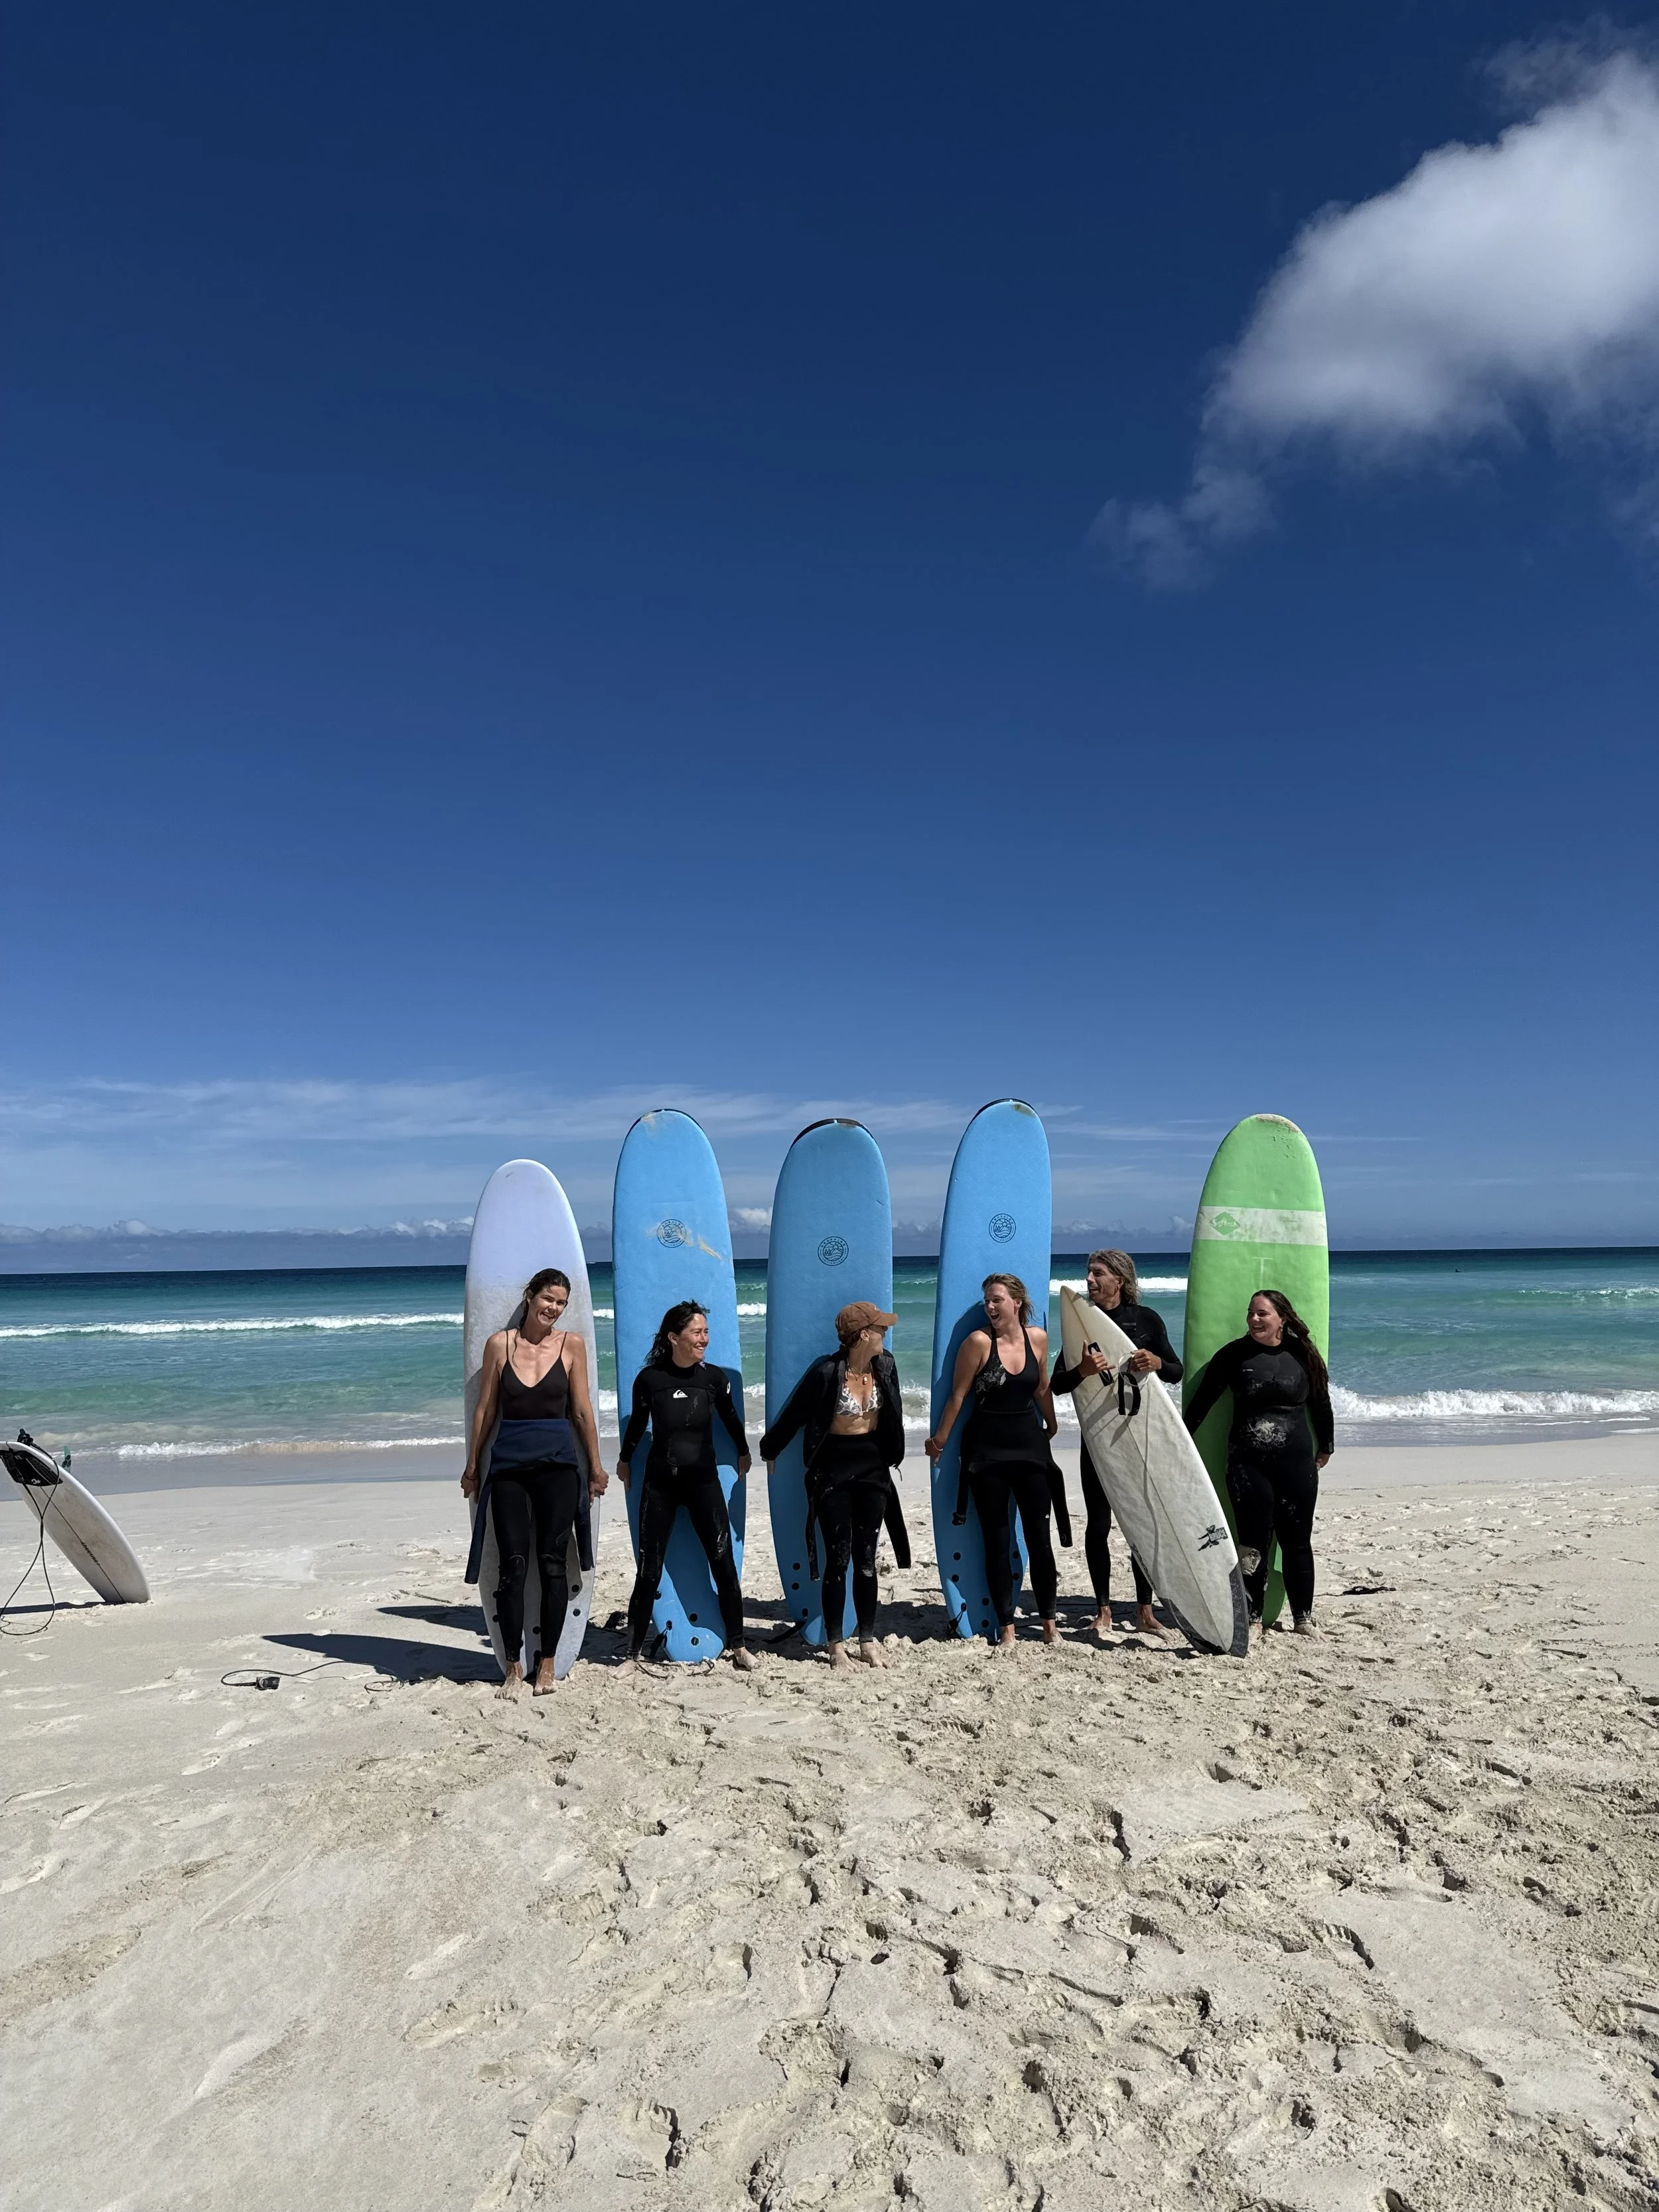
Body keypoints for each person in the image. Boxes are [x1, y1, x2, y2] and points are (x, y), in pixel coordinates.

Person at [462, 1268, 609, 1698]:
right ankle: (512, 1665)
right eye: (548, 1298)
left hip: (559, 1467)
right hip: (508, 1466)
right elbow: (485, 1410)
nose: (554, 1308)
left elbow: (581, 1412)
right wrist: (473, 1466)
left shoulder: (572, 1346)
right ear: (530, 1296)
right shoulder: (500, 1345)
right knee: (513, 1565)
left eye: (562, 1302)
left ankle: (546, 1665)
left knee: (551, 1562)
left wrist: (597, 1467)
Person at [759, 1301, 908, 1670]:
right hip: (833, 1472)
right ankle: (835, 1645)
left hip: (874, 1469)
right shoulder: (827, 1372)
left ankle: (868, 1641)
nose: (884, 1333)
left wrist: (896, 1451)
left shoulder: (885, 1365)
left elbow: (896, 1412)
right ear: (862, 1335)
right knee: (838, 1561)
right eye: (879, 1328)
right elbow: (794, 1413)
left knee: (867, 1561)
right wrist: (769, 1449)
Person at [1181, 1288, 1333, 1635]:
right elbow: (1203, 1401)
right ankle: (1252, 1615)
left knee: (1297, 1539)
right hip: (1248, 1464)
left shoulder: (1303, 1354)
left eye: (1262, 1314)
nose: (1253, 1319)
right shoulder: (1235, 1355)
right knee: (1252, 1540)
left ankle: (1303, 1618)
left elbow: (1321, 1403)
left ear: (1282, 1318)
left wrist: (1327, 1444)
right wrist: (1182, 1440)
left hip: (1296, 1462)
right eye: (1250, 1313)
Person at [616, 1301, 756, 1672]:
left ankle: (739, 1645)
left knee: (724, 1565)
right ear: (673, 1337)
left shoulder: (713, 1379)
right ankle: (632, 1655)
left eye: (706, 1332)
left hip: (703, 1484)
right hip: (660, 1485)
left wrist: (743, 1452)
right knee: (648, 1569)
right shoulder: (649, 1380)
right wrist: (625, 1459)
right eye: (697, 1333)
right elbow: (637, 1427)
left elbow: (730, 1418)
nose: (704, 1340)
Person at [1048, 1248, 1182, 1639]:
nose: (1089, 1279)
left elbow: (1175, 1371)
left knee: (1145, 1521)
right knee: (1098, 1524)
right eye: (1088, 1273)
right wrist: (1083, 1370)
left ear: (1119, 1280)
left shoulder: (1146, 1320)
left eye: (1098, 1273)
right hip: (1099, 1436)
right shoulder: (1082, 1324)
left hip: (1141, 1434)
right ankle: (1103, 1609)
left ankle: (1145, 1610)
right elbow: (1058, 1384)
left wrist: (1156, 1362)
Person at [926, 1274, 1060, 1651]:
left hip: (1031, 1448)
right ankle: (1007, 1628)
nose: (991, 1306)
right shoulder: (979, 1342)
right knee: (997, 1540)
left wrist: (1051, 1422)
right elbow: (958, 1396)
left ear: (1017, 1302)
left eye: (998, 1299)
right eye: (987, 1300)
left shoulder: (1038, 1338)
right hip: (987, 1454)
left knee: (1039, 1538)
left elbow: (1041, 1387)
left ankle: (1050, 1624)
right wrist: (940, 1440)